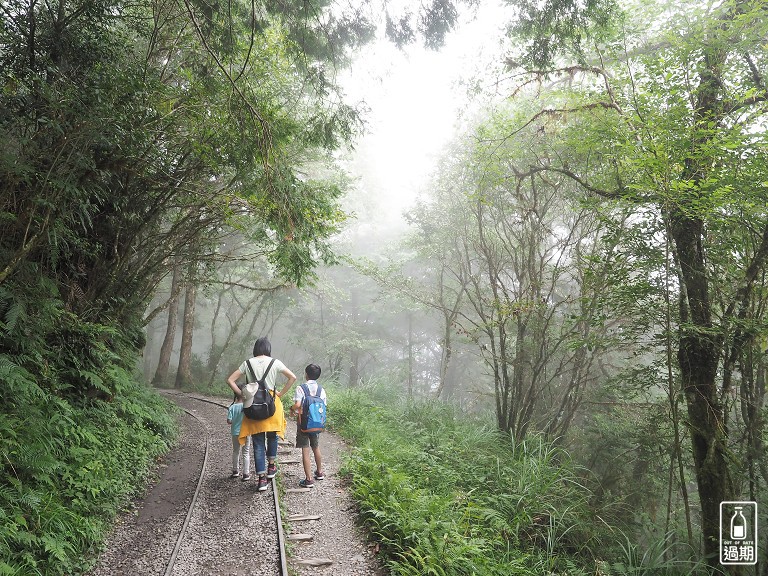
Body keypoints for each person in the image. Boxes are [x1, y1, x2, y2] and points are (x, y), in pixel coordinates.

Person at [227, 337, 296, 492]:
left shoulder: (247, 363)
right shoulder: (275, 362)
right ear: (268, 349)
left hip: (252, 405)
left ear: (255, 349)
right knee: (272, 436)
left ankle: (262, 480)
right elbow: (293, 377)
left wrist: (243, 395)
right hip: (271, 404)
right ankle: (271, 466)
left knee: (258, 443)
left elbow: (230, 380)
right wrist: (280, 394)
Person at [290, 363, 326, 488]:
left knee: (305, 449)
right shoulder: (321, 390)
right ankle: (320, 472)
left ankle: (309, 479)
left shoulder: (301, 388)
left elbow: (298, 405)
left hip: (304, 424)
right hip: (317, 423)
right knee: (316, 447)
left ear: (306, 374)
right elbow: (324, 407)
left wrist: (291, 408)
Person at [227, 393, 252, 480]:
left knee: (236, 451)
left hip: (235, 433)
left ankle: (235, 471)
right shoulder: (246, 406)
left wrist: (235, 420)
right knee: (246, 452)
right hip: (245, 432)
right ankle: (246, 473)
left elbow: (229, 421)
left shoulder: (232, 407)